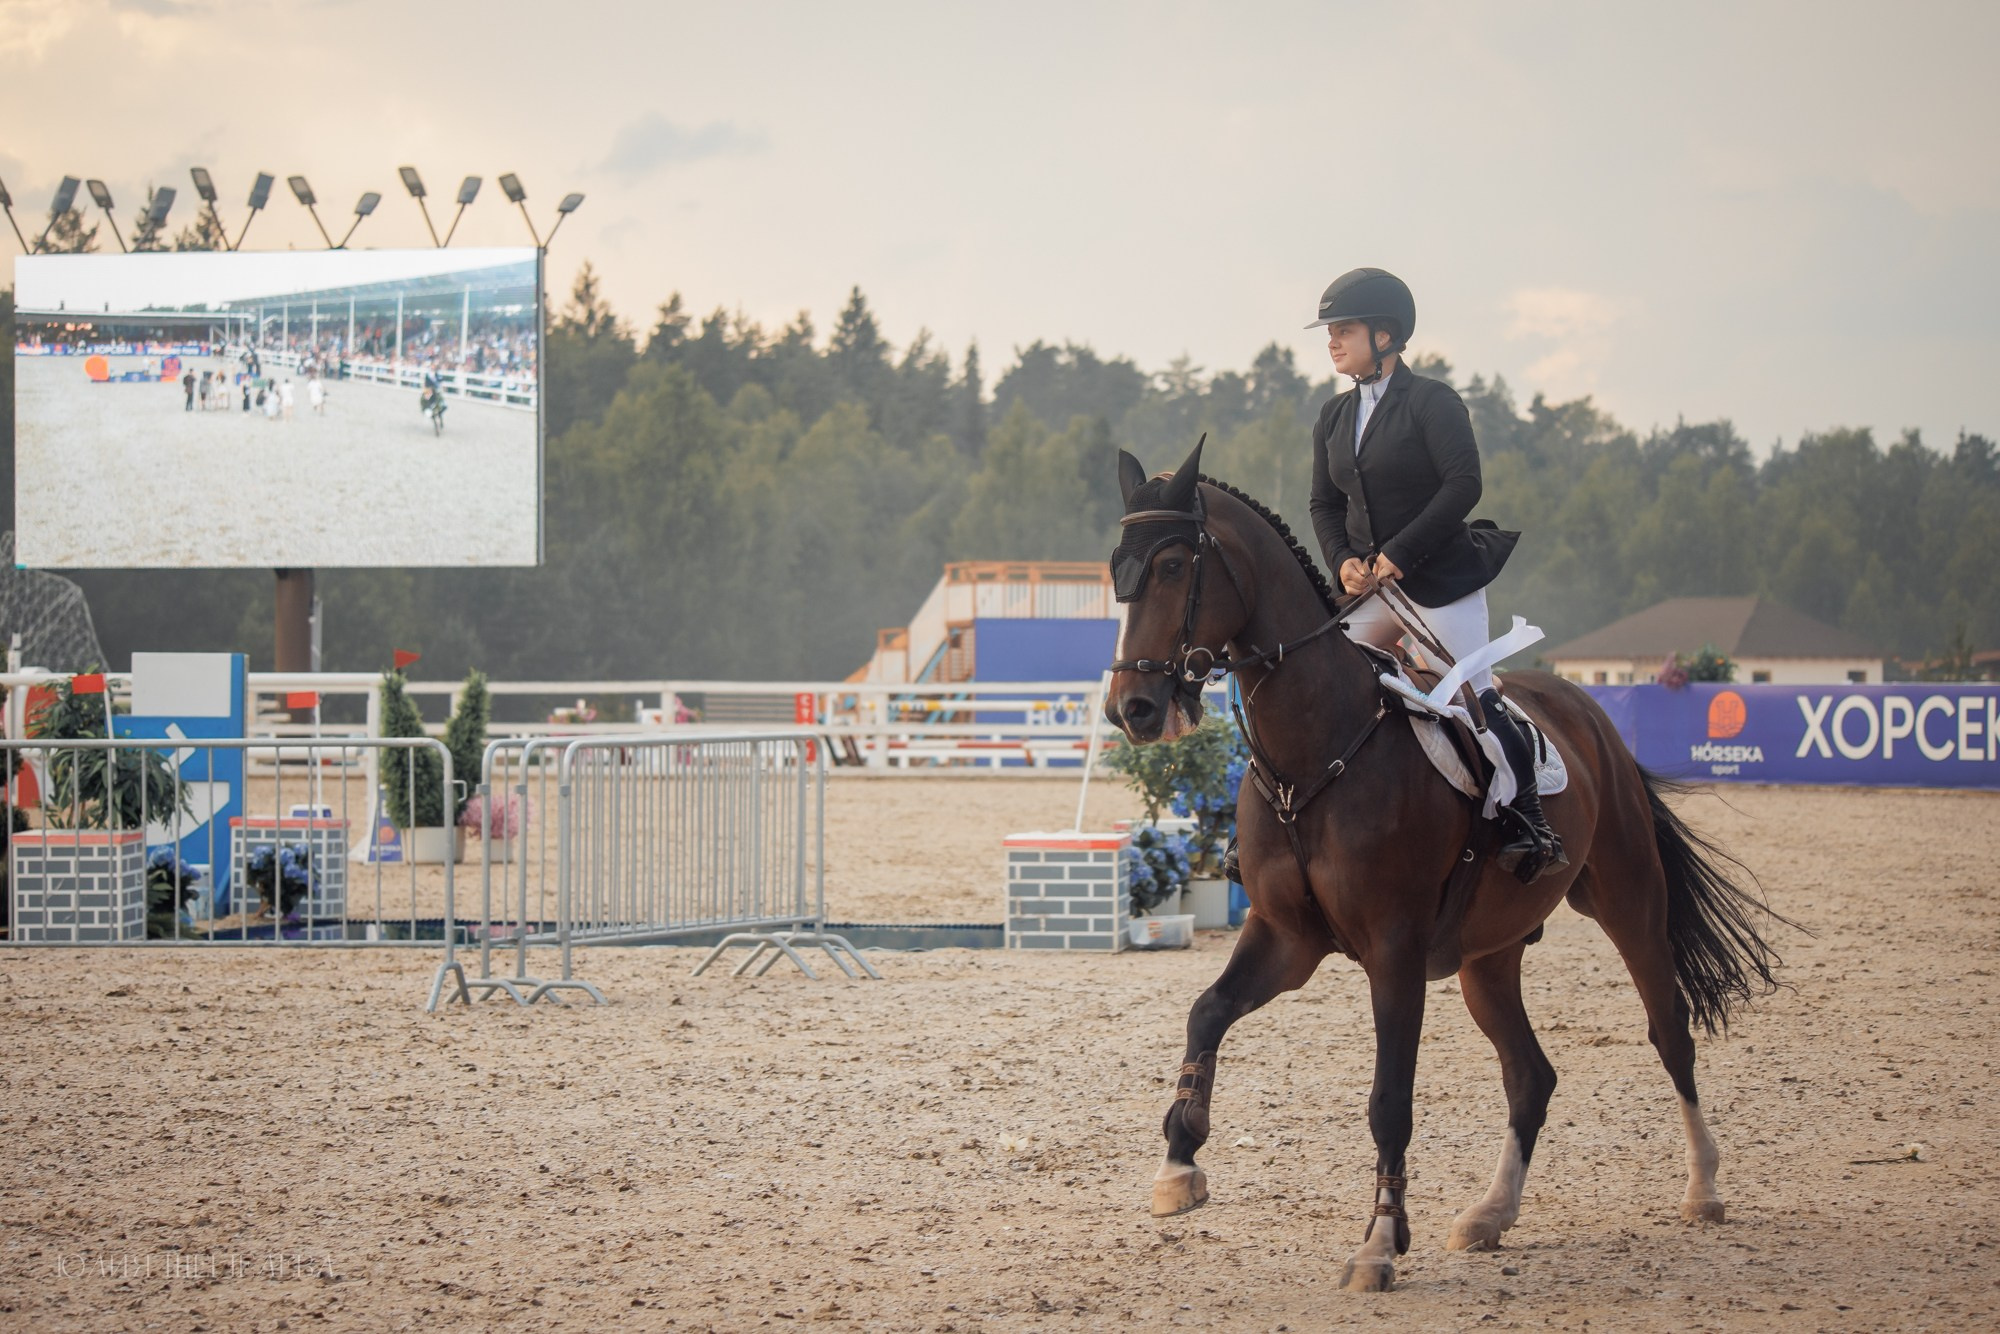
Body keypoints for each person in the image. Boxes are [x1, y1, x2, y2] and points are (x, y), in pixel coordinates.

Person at [1305, 267, 1565, 882]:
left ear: (1386, 336)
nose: (1332, 341)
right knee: (1315, 684)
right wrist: (1342, 559)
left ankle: (1529, 819)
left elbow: (1463, 485)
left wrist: (1400, 551)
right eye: (1330, 331)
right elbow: (1323, 504)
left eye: (1344, 330)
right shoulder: (1334, 416)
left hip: (1437, 580)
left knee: (1472, 694)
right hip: (1369, 590)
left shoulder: (1432, 402)